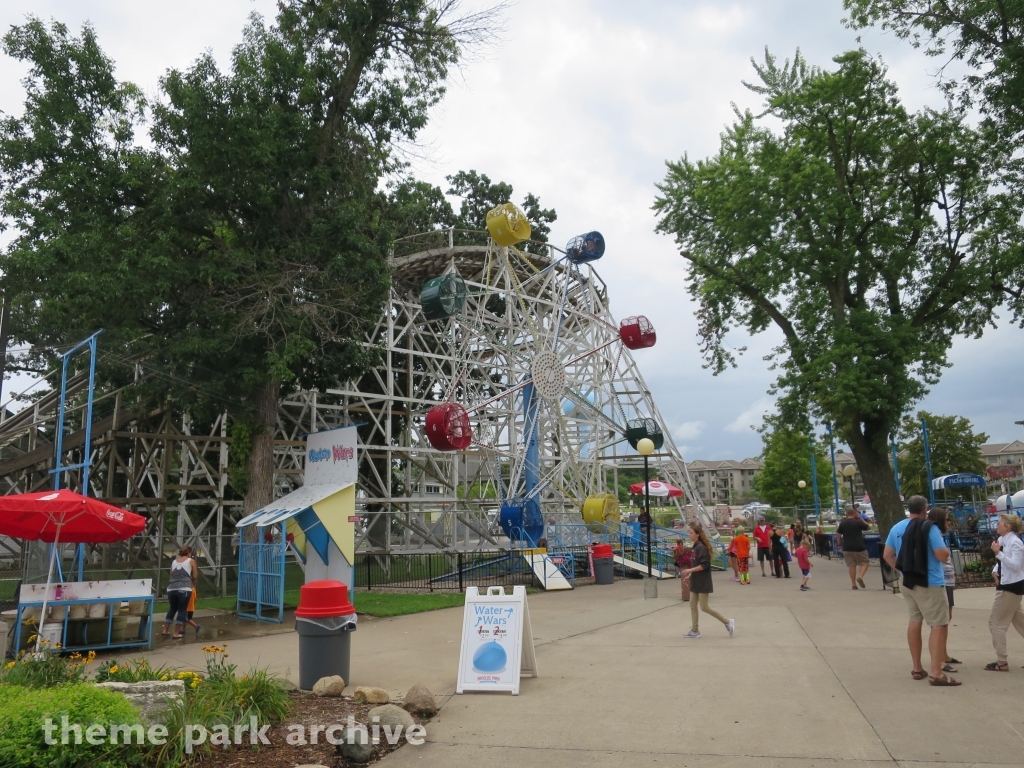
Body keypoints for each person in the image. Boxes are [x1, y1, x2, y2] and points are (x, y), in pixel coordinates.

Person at [883, 495, 957, 686]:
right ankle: (936, 672)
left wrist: (902, 569)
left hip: (908, 582)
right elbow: (942, 555)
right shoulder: (929, 527)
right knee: (938, 624)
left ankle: (917, 668)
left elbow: (887, 554)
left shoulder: (897, 527)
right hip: (930, 581)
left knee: (914, 621)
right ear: (925, 510)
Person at [984, 514, 1024, 672]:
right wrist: (995, 571)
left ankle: (1002, 661)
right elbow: (1001, 562)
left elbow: (1016, 565)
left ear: (1008, 526)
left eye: (1000, 523)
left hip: (1011, 585)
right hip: (1007, 582)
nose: (997, 525)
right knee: (1020, 619)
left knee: (996, 624)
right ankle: (1002, 661)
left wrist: (998, 553)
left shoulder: (1015, 542)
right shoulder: (1002, 540)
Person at [681, 521, 735, 639]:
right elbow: (696, 564)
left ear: (697, 535)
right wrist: (689, 576)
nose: (689, 535)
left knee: (704, 607)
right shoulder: (695, 547)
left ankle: (727, 622)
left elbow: (705, 565)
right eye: (689, 533)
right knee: (692, 605)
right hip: (695, 581)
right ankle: (695, 630)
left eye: (691, 533)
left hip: (703, 582)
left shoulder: (701, 547)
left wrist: (689, 571)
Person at [926, 508, 959, 673]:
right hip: (941, 581)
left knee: (947, 618)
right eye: (946, 520)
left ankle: (944, 654)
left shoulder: (939, 534)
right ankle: (938, 659)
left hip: (947, 581)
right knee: (941, 621)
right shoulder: (935, 533)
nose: (949, 523)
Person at [161, 546, 197, 640]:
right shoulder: (191, 561)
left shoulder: (174, 561)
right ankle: (176, 633)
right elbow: (194, 575)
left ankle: (165, 630)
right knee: (182, 610)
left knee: (172, 608)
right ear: (189, 553)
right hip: (184, 588)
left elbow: (171, 574)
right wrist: (192, 584)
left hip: (171, 588)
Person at [838, 506, 871, 590]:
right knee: (865, 562)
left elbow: (838, 535)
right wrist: (860, 518)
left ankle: (853, 584)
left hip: (847, 547)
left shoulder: (843, 523)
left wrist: (839, 545)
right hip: (859, 547)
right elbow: (868, 527)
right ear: (854, 514)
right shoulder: (858, 522)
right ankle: (860, 576)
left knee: (851, 566)